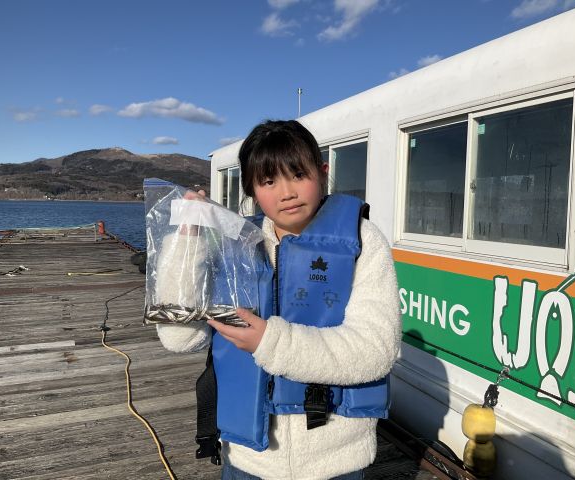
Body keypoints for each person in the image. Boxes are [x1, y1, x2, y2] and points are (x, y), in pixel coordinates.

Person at [156, 119, 401, 480]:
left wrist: (269, 342)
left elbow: (376, 351)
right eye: (268, 181)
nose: (286, 193)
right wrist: (187, 237)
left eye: (298, 174)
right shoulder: (236, 245)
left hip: (335, 463)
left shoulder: (363, 241)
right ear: (253, 190)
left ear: (322, 173)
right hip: (248, 460)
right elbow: (178, 338)